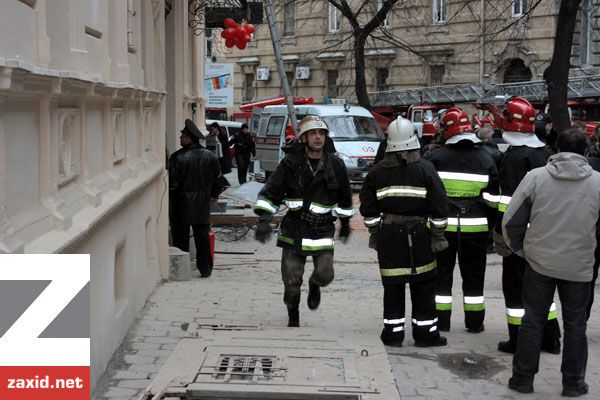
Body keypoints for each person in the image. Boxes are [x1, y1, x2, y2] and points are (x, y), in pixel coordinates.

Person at [503, 128, 600, 396]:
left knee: (532, 321)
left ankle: (522, 379)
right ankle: (573, 384)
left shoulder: (536, 178)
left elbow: (511, 222)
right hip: (579, 267)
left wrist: (523, 251)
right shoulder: (598, 183)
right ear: (585, 151)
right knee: (576, 325)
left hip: (539, 263)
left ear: (556, 150)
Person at [253, 115, 353, 327]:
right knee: (291, 282)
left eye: (322, 133)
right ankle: (293, 315)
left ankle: (314, 284)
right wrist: (264, 219)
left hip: (322, 230)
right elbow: (271, 192)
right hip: (294, 229)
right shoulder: (290, 164)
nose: (318, 137)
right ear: (304, 138)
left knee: (325, 275)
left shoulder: (336, 164)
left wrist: (345, 223)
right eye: (313, 133)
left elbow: (345, 196)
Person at [360, 117, 449, 348]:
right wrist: (438, 236)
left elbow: (368, 210)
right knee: (424, 286)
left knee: (393, 288)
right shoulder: (427, 169)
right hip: (421, 235)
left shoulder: (377, 173)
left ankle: (393, 335)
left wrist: (375, 232)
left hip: (389, 237)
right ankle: (426, 335)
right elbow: (439, 207)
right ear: (414, 140)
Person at [493, 97, 561, 355]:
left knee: (515, 288)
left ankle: (518, 339)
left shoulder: (514, 157)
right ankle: (550, 337)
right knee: (542, 287)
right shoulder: (545, 152)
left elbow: (507, 204)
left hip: (520, 236)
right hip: (546, 232)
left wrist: (502, 236)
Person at [425, 107, 499, 333]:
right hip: (476, 228)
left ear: (447, 130)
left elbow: (429, 196)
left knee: (441, 276)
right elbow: (493, 201)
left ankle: (442, 321)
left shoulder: (434, 158)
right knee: (474, 277)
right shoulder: (487, 159)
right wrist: (489, 227)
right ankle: (475, 323)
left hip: (442, 228)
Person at [169, 119, 222, 278]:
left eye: (183, 136)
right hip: (202, 203)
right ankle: (205, 269)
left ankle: (182, 270)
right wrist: (214, 195)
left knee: (181, 237)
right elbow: (218, 179)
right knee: (202, 237)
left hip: (181, 204)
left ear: (189, 137)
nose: (180, 139)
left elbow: (173, 184)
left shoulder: (177, 157)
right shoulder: (210, 156)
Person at [207, 122, 232, 187]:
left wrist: (218, 139)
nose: (211, 131)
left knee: (220, 170)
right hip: (218, 155)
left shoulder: (222, 134)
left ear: (216, 128)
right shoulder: (214, 134)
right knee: (218, 170)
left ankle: (224, 183)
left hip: (222, 155)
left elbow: (225, 145)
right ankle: (224, 183)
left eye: (212, 129)